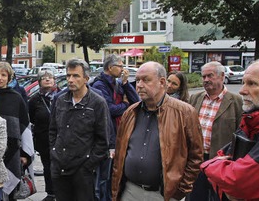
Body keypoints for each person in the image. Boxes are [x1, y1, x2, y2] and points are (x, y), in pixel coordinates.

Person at [200, 59, 259, 200]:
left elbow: (238, 181)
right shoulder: (254, 118)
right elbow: (227, 154)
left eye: (252, 84)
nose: (242, 90)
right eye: (243, 83)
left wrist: (210, 165)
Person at [111, 61, 203, 201]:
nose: (139, 85)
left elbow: (195, 156)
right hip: (130, 191)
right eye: (137, 80)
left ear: (162, 82)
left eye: (146, 80)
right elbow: (119, 153)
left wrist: (179, 191)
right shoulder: (130, 112)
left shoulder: (184, 112)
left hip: (164, 194)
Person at [49, 58, 109, 201]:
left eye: (75, 76)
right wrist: (54, 154)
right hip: (60, 168)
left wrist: (88, 165)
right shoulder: (60, 100)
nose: (70, 80)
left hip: (83, 171)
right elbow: (52, 130)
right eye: (68, 75)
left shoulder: (97, 103)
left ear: (86, 78)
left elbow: (103, 140)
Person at [187, 61, 243, 201]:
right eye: (203, 76)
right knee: (195, 196)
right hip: (197, 160)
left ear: (222, 76)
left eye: (210, 76)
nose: (206, 80)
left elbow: (241, 134)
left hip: (220, 162)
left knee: (218, 197)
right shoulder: (195, 98)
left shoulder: (236, 101)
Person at [92, 54, 140, 201]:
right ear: (110, 67)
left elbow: (136, 102)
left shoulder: (117, 83)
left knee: (115, 174)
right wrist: (125, 105)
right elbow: (109, 109)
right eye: (119, 66)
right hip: (108, 136)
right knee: (104, 177)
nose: (122, 69)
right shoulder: (99, 85)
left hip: (120, 133)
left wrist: (125, 84)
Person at [0, 62, 31, 201]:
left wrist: (25, 153)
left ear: (9, 78)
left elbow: (24, 126)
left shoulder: (16, 97)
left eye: (4, 75)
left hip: (12, 150)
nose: (0, 78)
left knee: (10, 192)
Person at [28, 70, 58, 201]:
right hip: (43, 138)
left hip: (61, 137)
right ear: (39, 81)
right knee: (47, 166)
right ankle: (50, 192)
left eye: (50, 77)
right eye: (44, 78)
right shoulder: (35, 99)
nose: (47, 80)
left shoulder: (62, 95)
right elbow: (32, 118)